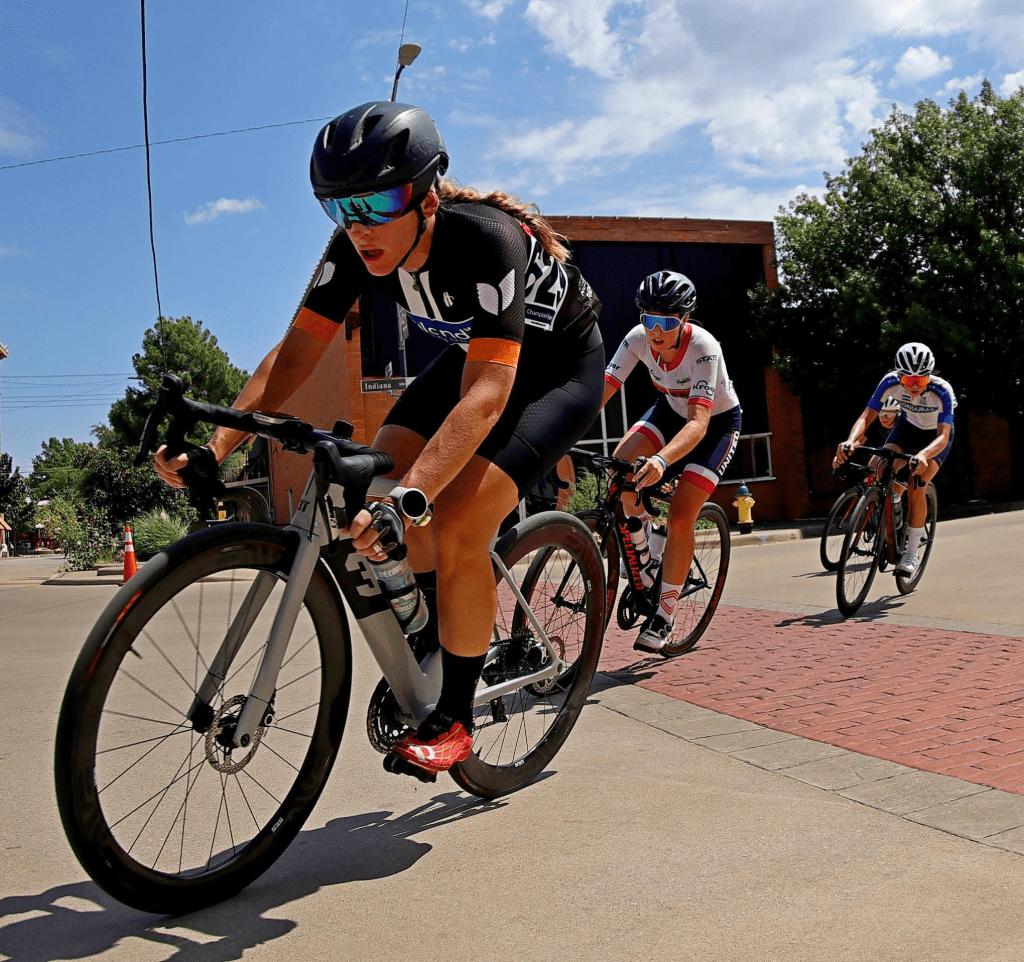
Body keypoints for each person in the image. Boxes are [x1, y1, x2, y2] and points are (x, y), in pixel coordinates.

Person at [154, 101, 605, 774]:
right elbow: (293, 357)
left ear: (427, 194)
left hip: (555, 372)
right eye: (340, 207)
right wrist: (216, 448)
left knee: (451, 521)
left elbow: (489, 393)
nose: (359, 226)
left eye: (380, 201)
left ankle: (454, 717)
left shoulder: (487, 239)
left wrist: (414, 497)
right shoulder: (353, 251)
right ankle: (431, 627)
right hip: (475, 357)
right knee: (376, 476)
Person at [601, 270, 742, 653]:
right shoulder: (636, 340)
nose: (655, 331)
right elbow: (600, 393)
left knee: (681, 516)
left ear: (684, 320)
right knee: (620, 468)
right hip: (668, 411)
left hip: (713, 426)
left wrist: (662, 461)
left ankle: (664, 615)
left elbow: (698, 423)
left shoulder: (704, 348)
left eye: (666, 321)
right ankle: (648, 550)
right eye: (649, 319)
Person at [833, 342, 955, 576]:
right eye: (908, 381)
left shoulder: (942, 391)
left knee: (916, 485)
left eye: (921, 381)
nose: (915, 386)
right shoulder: (889, 382)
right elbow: (866, 417)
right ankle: (893, 508)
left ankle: (910, 553)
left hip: (934, 438)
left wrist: (923, 455)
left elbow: (943, 436)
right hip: (907, 428)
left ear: (930, 376)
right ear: (899, 374)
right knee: (876, 466)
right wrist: (850, 440)